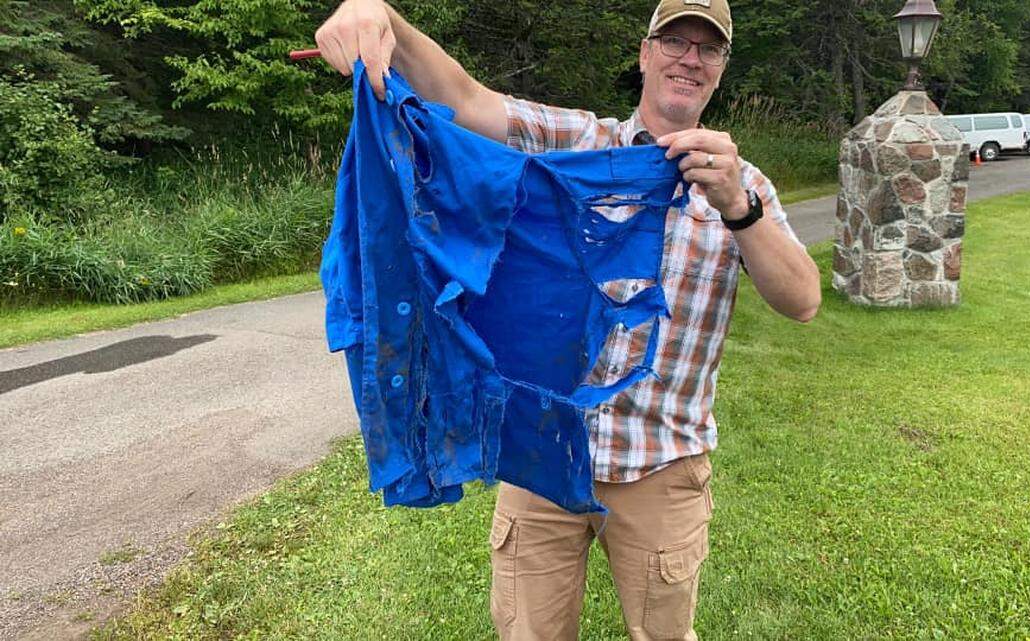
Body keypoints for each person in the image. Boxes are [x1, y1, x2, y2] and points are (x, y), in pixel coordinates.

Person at [314, 1, 821, 638]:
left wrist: (738, 209)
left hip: (661, 466)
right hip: (542, 452)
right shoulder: (578, 144)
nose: (690, 59)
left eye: (708, 48)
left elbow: (803, 301)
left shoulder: (744, 185)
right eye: (675, 41)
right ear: (645, 53)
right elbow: (469, 102)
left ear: (721, 69)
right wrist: (384, 17)